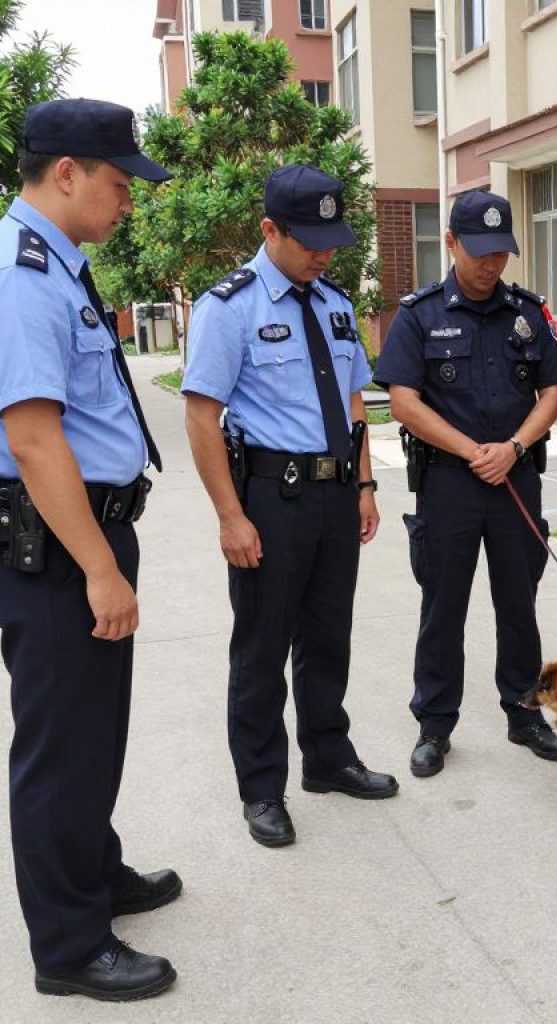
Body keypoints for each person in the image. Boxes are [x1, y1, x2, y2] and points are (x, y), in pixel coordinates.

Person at [0, 99, 178, 1001]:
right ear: (65, 172)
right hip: (59, 546)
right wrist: (99, 569)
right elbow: (33, 439)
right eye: (118, 185)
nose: (127, 204)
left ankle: (91, 872)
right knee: (60, 744)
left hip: (90, 530)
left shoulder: (60, 266)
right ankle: (67, 947)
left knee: (94, 732)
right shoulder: (21, 272)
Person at [183, 163, 398, 849]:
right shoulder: (230, 307)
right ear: (269, 229)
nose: (324, 252)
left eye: (332, 239)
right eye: (309, 240)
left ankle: (328, 759)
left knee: (327, 637)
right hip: (272, 499)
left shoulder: (334, 303)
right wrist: (229, 514)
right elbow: (201, 415)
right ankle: (261, 788)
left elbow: (353, 400)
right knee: (262, 646)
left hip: (336, 496)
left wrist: (363, 484)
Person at [373, 189, 557, 777]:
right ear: (451, 244)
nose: (491, 264)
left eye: (501, 253)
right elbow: (403, 402)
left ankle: (524, 712)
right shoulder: (420, 314)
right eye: (479, 252)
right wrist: (471, 451)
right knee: (443, 607)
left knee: (519, 604)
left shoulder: (528, 314)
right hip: (449, 485)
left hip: (515, 480)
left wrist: (513, 448)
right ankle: (435, 724)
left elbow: (554, 391)